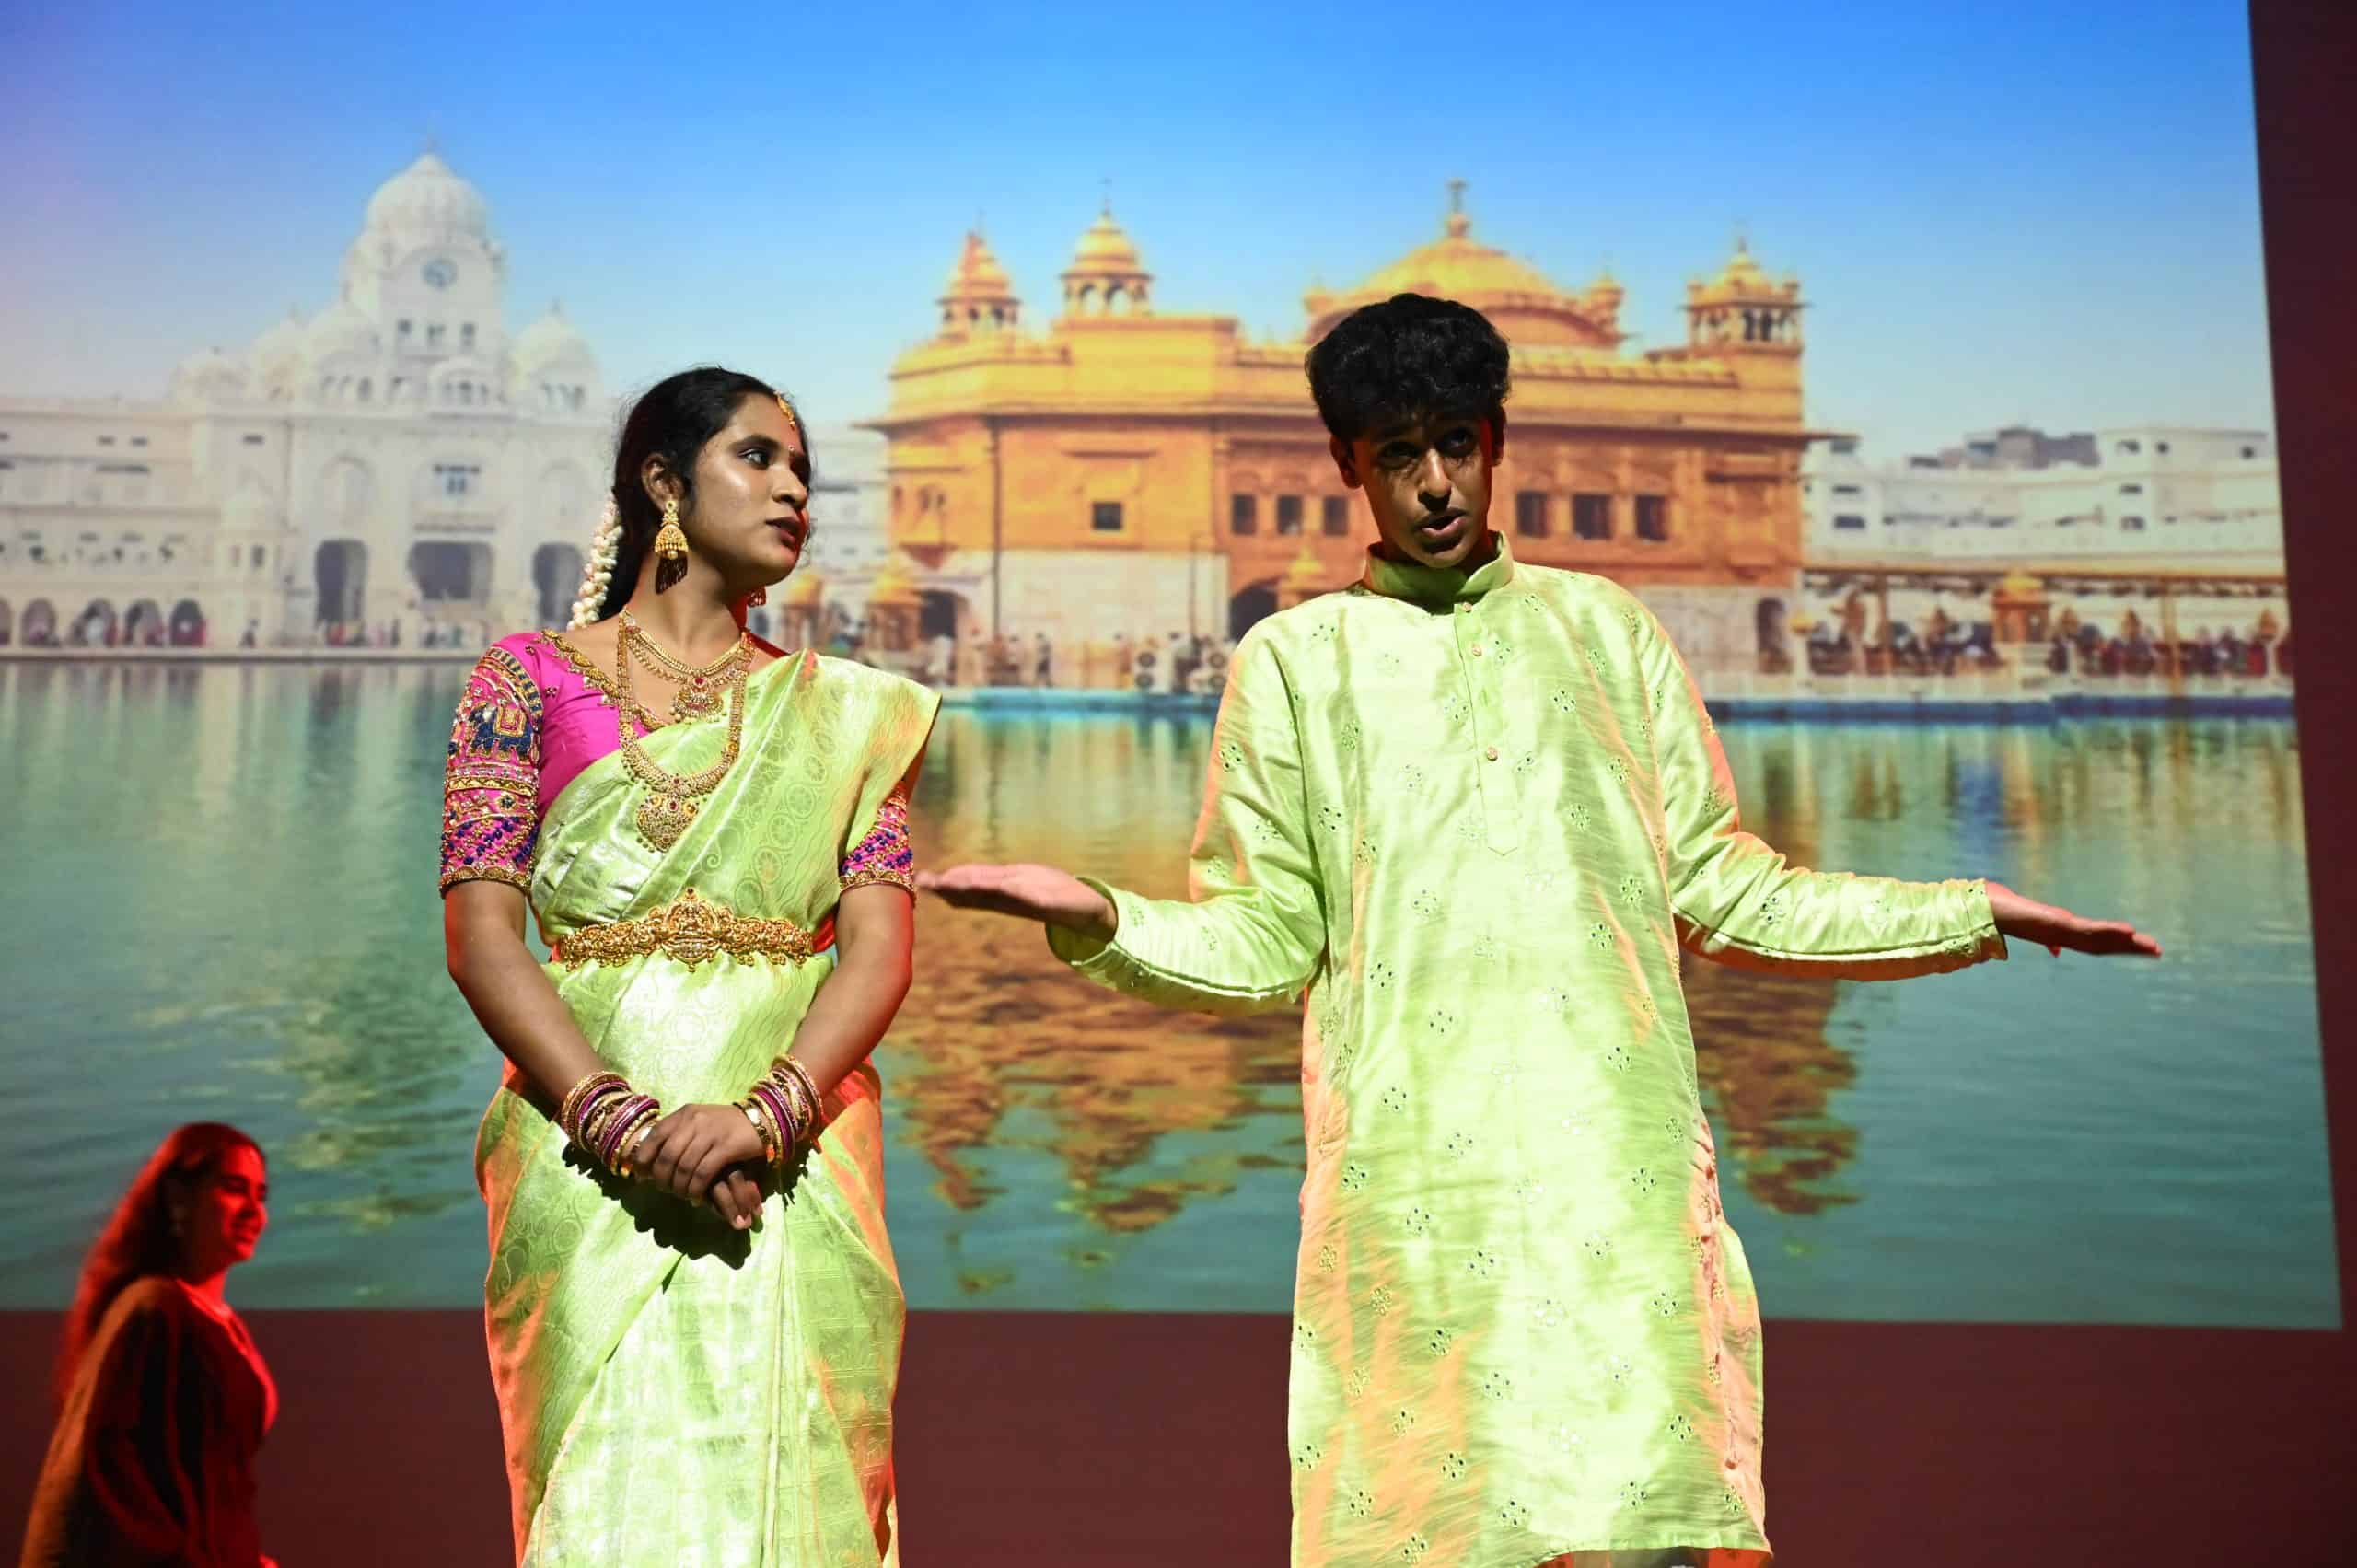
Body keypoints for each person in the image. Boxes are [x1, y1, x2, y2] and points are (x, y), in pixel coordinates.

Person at [921, 295, 2159, 1568]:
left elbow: (1726, 890)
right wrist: (1102, 918)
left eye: (1456, 443)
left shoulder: (1606, 630)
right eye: (1399, 453)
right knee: (1435, 1519)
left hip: (1614, 1175)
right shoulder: (1293, 660)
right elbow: (1270, 938)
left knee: (1636, 1523)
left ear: (1497, 440)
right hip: (1411, 1183)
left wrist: (1972, 910)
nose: (1435, 483)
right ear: (1348, 463)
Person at [440, 368, 937, 1565]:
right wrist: (618, 1120)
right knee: (600, 1506)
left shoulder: (851, 710)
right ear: (664, 482)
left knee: (802, 1498)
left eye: (803, 468)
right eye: (758, 457)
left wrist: (768, 1113)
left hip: (796, 1157)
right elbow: (483, 935)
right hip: (583, 1156)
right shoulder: (525, 679)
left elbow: (878, 947)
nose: (795, 488)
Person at [21, 1123, 278, 1568]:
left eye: (261, 1195)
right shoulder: (155, 1309)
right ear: (178, 1198)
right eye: (234, 1189)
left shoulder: (222, 1322)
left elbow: (213, 1483)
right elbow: (110, 1479)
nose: (254, 1211)